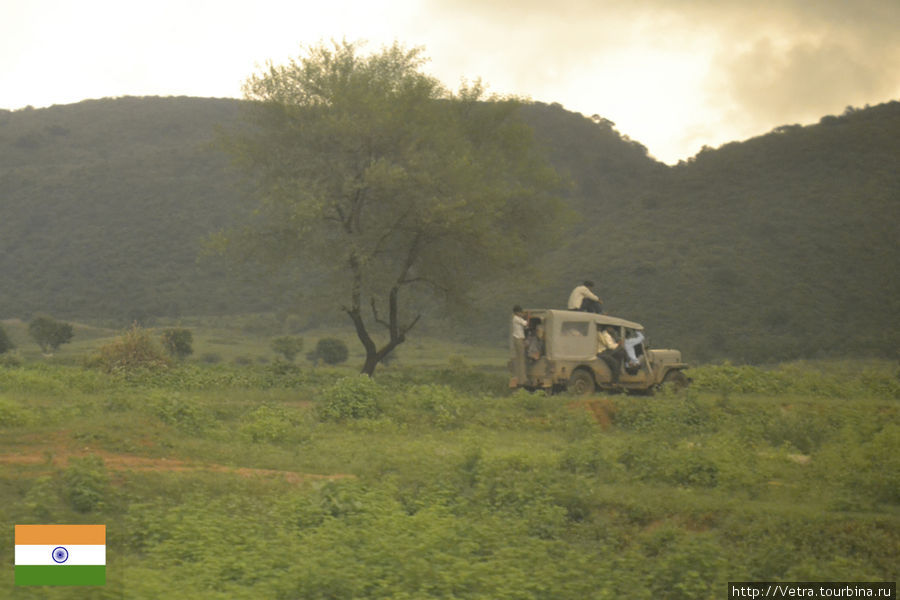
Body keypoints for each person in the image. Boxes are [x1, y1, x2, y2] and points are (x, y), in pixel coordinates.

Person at [510, 305, 528, 386]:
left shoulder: (517, 318)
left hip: (518, 339)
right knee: (521, 359)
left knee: (520, 358)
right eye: (520, 312)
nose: (522, 313)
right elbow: (526, 323)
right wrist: (528, 317)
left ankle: (521, 378)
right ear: (517, 312)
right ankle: (522, 379)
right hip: (518, 339)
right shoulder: (516, 319)